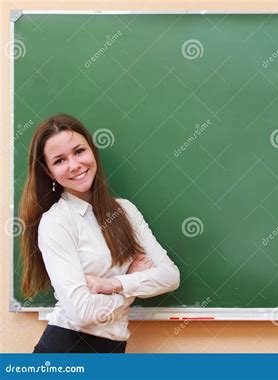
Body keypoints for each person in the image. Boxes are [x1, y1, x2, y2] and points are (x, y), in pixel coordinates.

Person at [19, 114, 180, 353]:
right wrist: (128, 291)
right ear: (49, 172)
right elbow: (81, 312)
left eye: (79, 151)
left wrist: (111, 283)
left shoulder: (125, 211)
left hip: (112, 350)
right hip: (66, 350)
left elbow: (170, 276)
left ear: (93, 151)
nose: (74, 165)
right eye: (60, 160)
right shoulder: (56, 222)